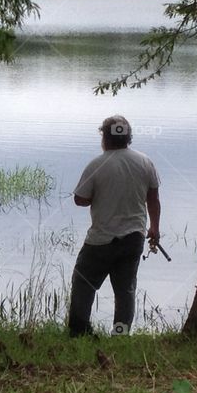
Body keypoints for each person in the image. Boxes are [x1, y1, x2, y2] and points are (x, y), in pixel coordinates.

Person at [68, 115, 160, 337]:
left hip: (101, 240)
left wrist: (98, 195)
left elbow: (80, 199)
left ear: (105, 138)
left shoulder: (97, 165)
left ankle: (80, 332)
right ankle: (120, 334)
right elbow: (153, 198)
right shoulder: (145, 161)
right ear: (128, 138)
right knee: (125, 290)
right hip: (134, 238)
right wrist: (154, 228)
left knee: (83, 284)